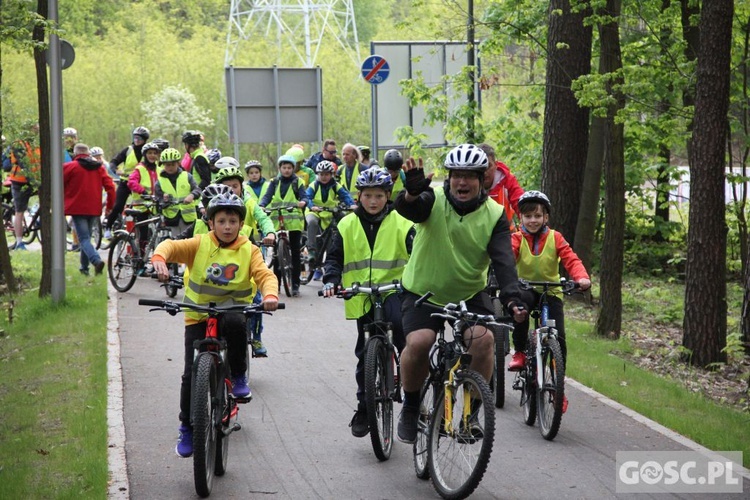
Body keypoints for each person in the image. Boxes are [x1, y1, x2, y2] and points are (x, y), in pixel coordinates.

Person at [393, 143, 528, 444]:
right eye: (456, 175)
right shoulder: (433, 199)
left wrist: (513, 297)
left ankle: (470, 413)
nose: (462, 182)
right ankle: (412, 405)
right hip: (422, 291)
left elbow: (504, 261)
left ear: (483, 180)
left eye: (469, 176)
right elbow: (410, 208)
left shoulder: (494, 215)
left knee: (484, 342)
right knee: (419, 342)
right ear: (449, 178)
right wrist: (411, 193)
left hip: (469, 292)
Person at [151, 192, 279, 458]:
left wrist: (270, 295)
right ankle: (186, 426)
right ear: (211, 223)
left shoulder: (249, 249)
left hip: (232, 310)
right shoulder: (199, 244)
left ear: (241, 224)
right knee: (189, 374)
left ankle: (239, 375)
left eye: (233, 221)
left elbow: (265, 274)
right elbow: (170, 246)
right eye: (221, 220)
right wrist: (159, 260)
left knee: (235, 323)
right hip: (198, 314)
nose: (228, 226)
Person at [322, 168, 414, 437]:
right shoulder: (346, 224)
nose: (373, 201)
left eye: (378, 196)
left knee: (401, 334)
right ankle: (364, 405)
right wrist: (331, 279)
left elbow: (416, 256)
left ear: (388, 196)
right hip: (361, 294)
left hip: (394, 291)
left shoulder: (402, 222)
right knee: (365, 353)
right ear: (359, 196)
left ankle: (411, 400)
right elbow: (334, 258)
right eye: (367, 196)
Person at [507, 190, 591, 411]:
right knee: (520, 310)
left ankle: (558, 389)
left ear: (546, 217)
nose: (533, 220)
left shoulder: (555, 238)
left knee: (559, 339)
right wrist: (503, 280)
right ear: (520, 218)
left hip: (552, 291)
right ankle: (519, 351)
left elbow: (570, 258)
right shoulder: (516, 238)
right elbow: (507, 260)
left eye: (537, 216)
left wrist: (581, 277)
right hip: (526, 289)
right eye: (528, 216)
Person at [214, 164, 277, 356]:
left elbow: (262, 218)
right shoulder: (213, 205)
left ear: (241, 186)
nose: (231, 190)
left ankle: (256, 338)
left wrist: (270, 233)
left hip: (247, 256)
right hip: (220, 257)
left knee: (255, 298)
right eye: (226, 186)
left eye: (234, 186)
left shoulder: (248, 203)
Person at [258, 154, 309, 297]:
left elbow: (304, 196)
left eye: (289, 168)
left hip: (294, 223)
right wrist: (262, 205)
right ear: (279, 168)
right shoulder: (274, 182)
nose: (286, 170)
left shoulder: (297, 182)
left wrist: (303, 202)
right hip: (278, 221)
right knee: (276, 254)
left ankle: (295, 285)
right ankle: (277, 284)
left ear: (293, 169)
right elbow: (267, 196)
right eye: (284, 167)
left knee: (295, 253)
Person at [63, 143, 116, 275]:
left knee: (84, 239)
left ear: (75, 154)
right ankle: (84, 268)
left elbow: (59, 184)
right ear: (89, 154)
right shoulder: (99, 168)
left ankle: (96, 261)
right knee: (86, 238)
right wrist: (109, 206)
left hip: (77, 208)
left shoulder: (69, 167)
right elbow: (111, 187)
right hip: (94, 209)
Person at [305, 160, 356, 281]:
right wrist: (312, 205)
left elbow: (346, 196)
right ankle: (311, 251)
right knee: (312, 222)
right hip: (314, 212)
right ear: (318, 174)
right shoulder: (314, 185)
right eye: (321, 174)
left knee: (344, 222)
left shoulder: (335, 185)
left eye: (326, 174)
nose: (324, 177)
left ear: (331, 174)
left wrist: (352, 205)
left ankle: (349, 249)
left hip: (330, 213)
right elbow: (307, 197)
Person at [105, 126, 150, 237]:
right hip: (126, 183)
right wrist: (117, 170)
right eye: (135, 138)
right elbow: (113, 162)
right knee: (118, 206)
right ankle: (108, 227)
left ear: (145, 140)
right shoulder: (128, 150)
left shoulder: (149, 152)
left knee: (145, 207)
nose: (137, 140)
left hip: (140, 184)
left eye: (139, 138)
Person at [6, 122, 40, 250]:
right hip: (20, 181)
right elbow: (23, 163)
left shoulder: (37, 144)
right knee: (19, 211)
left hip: (36, 180)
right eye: (35, 129)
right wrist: (33, 179)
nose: (37, 131)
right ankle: (19, 242)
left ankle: (40, 221)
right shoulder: (19, 144)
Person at [154, 147, 201, 237]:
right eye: (167, 165)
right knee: (176, 244)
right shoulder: (159, 182)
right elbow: (158, 201)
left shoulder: (187, 176)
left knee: (190, 243)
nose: (170, 167)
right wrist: (164, 200)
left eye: (173, 164)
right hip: (172, 220)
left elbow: (197, 190)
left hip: (189, 219)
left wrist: (192, 195)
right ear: (163, 165)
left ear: (178, 163)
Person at [478, 143, 524, 231]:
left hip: (506, 232)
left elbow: (521, 205)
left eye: (488, 166)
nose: (485, 172)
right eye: (481, 167)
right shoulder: (468, 182)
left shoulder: (507, 180)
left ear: (495, 165)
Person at [128, 141, 161, 261]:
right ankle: (140, 259)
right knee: (143, 234)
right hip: (141, 206)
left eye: (154, 153)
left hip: (154, 205)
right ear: (145, 155)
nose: (152, 155)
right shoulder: (140, 168)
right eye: (149, 153)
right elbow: (131, 182)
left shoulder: (159, 169)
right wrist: (142, 191)